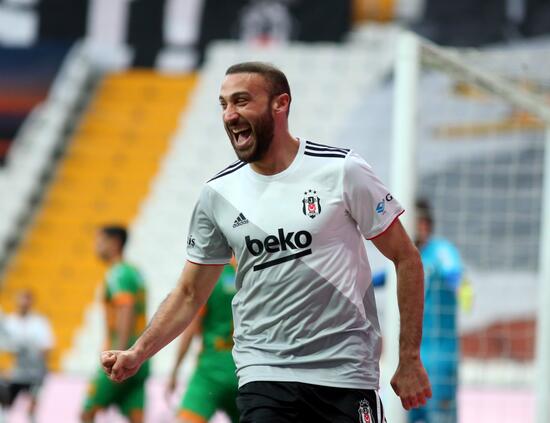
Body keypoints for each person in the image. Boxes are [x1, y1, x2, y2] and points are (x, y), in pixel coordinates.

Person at [100, 61, 431, 423]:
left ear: (280, 104)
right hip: (265, 374)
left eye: (241, 101)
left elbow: (406, 258)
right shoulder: (218, 194)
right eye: (224, 104)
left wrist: (409, 358)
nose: (230, 115)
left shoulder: (341, 171)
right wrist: (138, 352)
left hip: (345, 374)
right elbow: (190, 293)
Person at [81, 225, 149, 423]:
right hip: (141, 354)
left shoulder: (117, 273)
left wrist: (119, 353)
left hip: (121, 354)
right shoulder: (135, 272)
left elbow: (126, 310)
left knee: (87, 412)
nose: (96, 246)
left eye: (100, 241)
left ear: (115, 243)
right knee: (136, 417)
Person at [408, 199, 462, 423]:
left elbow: (454, 272)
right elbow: (381, 278)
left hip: (439, 360)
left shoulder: (441, 250)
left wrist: (458, 283)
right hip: (409, 361)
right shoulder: (406, 257)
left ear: (423, 224)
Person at [166, 262, 239, 423]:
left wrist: (175, 371)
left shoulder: (212, 275)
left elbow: (190, 330)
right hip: (246, 372)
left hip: (211, 370)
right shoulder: (252, 274)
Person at [0, 290, 54, 423]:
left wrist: (35, 355)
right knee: (5, 404)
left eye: (27, 300)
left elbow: (47, 347)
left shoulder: (39, 322)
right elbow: (5, 346)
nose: (24, 303)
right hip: (15, 373)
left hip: (35, 374)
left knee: (32, 409)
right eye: (21, 299)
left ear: (31, 302)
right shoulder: (9, 322)